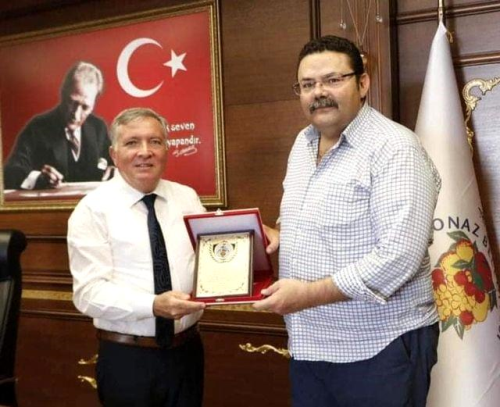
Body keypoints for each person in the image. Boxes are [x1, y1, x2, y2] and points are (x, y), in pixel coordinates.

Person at [254, 35, 442, 407]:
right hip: (310, 346)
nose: (318, 93)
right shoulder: (303, 143)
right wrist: (281, 233)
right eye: (308, 84)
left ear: (363, 83)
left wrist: (308, 295)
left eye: (332, 80)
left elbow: (398, 258)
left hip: (380, 348)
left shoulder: (395, 147)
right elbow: (309, 215)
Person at [67, 107, 206, 406]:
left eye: (155, 141)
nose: (145, 151)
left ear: (166, 149)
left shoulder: (187, 198)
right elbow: (88, 294)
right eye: (132, 142)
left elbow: (211, 259)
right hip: (128, 359)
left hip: (187, 353)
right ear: (114, 154)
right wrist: (153, 305)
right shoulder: (92, 209)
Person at [3, 61, 113, 190]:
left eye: (85, 107)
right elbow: (11, 172)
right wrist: (38, 178)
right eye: (72, 102)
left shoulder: (98, 128)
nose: (76, 114)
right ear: (62, 93)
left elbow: (114, 163)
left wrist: (117, 171)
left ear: (94, 103)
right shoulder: (37, 128)